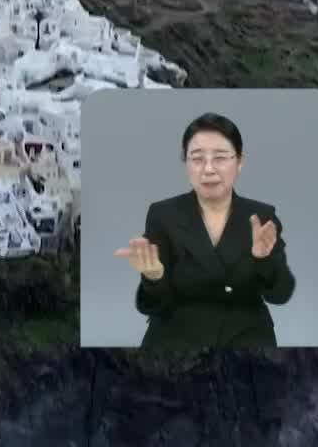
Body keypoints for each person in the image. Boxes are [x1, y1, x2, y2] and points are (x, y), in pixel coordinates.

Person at [113, 111, 296, 349]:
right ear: (185, 163)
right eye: (197, 158)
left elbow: (281, 295)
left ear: (239, 162)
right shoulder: (163, 215)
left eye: (220, 158)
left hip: (246, 340)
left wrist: (264, 260)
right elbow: (150, 306)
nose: (208, 169)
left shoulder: (262, 217)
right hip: (175, 341)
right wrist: (154, 277)